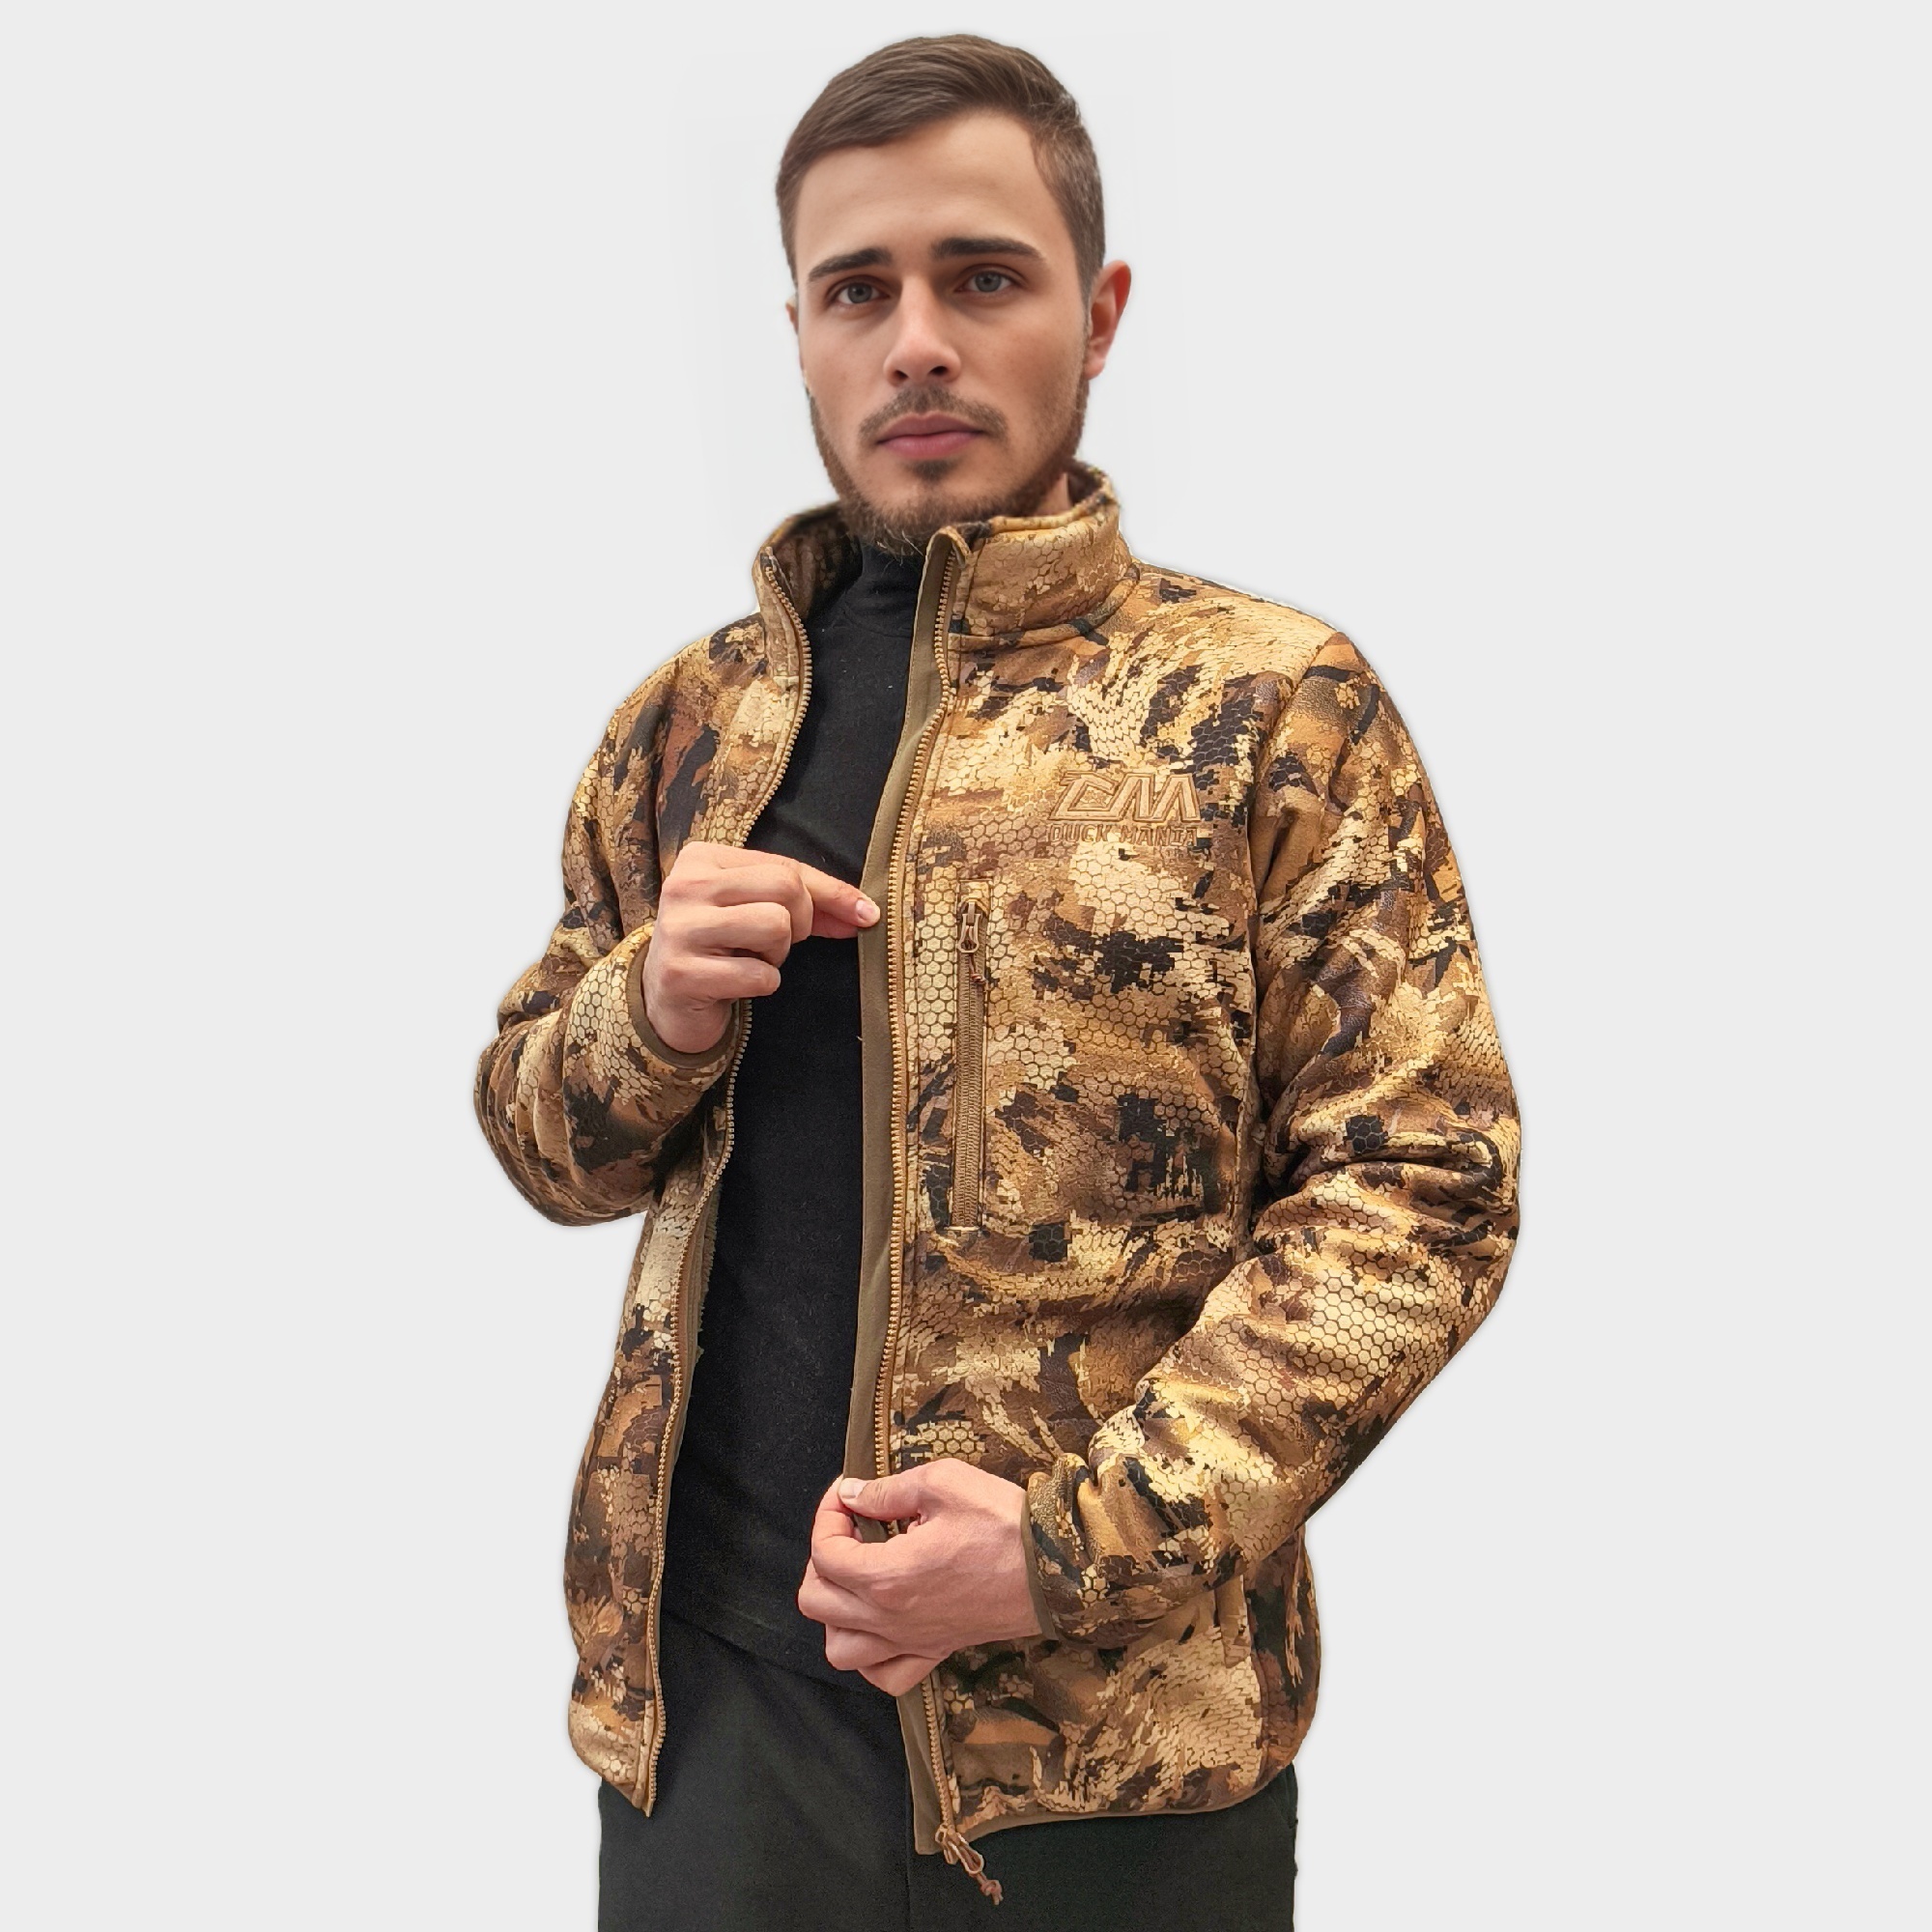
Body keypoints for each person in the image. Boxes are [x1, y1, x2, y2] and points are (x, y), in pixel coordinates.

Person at [474, 33, 1520, 1929]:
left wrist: (1063, 1549)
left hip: (1114, 1752)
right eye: (856, 291)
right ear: (798, 331)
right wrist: (648, 1013)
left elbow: (1422, 1194)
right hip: (712, 1721)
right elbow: (544, 1141)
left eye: (981, 278)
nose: (917, 345)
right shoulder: (683, 726)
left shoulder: (1274, 706)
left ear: (1096, 314)